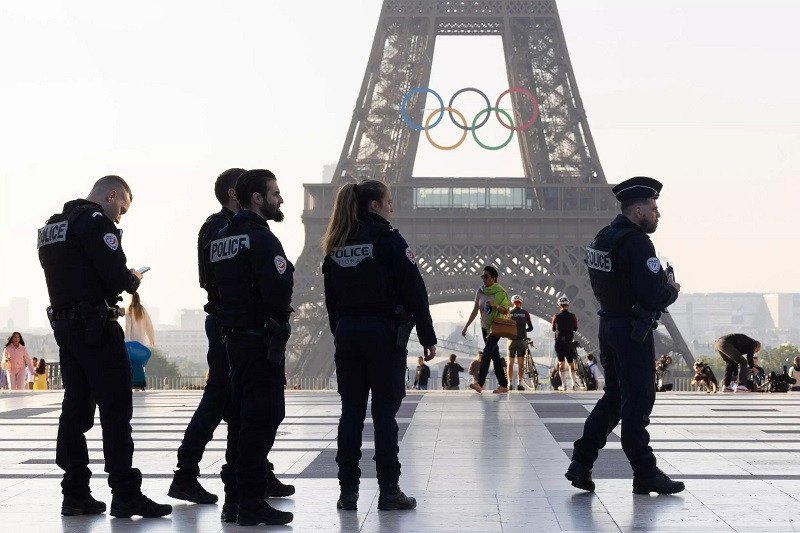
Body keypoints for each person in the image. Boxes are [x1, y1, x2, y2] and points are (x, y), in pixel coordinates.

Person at [37, 175, 171, 517]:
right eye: (121, 208)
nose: (119, 217)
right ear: (111, 195)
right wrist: (132, 278)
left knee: (75, 411)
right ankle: (125, 494)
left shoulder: (52, 227)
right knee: (115, 412)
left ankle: (75, 492)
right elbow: (116, 279)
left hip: (67, 329)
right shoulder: (95, 222)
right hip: (97, 327)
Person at [169, 168, 293, 509]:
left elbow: (206, 278)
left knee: (239, 403)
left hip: (228, 319)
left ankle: (245, 473)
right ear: (238, 193)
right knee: (226, 399)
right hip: (234, 323)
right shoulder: (229, 227)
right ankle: (194, 472)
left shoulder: (216, 228)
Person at [322, 179, 437, 511]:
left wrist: (341, 332)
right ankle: (389, 491)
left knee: (351, 412)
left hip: (348, 333)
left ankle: (348, 492)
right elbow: (415, 291)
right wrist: (427, 337)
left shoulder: (336, 245)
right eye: (388, 201)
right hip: (382, 334)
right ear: (374, 205)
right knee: (384, 413)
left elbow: (331, 302)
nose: (392, 207)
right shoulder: (389, 240)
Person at [565, 176, 684, 496]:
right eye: (654, 209)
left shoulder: (603, 237)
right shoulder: (637, 242)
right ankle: (645, 472)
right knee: (639, 399)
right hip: (633, 331)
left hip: (608, 326)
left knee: (615, 398)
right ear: (638, 210)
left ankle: (581, 462)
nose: (658, 215)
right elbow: (652, 295)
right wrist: (670, 290)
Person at [209, 169, 294, 526]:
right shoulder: (262, 238)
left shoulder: (221, 239)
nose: (280, 199)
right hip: (260, 341)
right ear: (257, 198)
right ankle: (251, 502)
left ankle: (234, 500)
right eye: (274, 193)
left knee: (240, 421)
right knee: (263, 418)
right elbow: (278, 291)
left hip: (231, 339)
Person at [462, 266, 510, 394]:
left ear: (494, 278)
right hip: (485, 327)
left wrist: (495, 305)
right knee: (495, 357)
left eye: (486, 276)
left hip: (495, 327)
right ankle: (503, 385)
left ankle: (480, 383)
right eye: (482, 276)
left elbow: (505, 310)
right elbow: (475, 310)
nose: (484, 279)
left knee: (486, 354)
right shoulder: (480, 291)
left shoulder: (500, 292)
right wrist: (467, 325)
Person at [552, 296, 582, 391]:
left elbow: (553, 328)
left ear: (559, 305)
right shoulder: (572, 316)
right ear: (568, 305)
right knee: (571, 363)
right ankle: (574, 384)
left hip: (559, 342)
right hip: (569, 342)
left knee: (561, 364)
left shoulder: (556, 316)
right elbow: (576, 328)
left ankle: (564, 385)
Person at [507, 295, 533, 391]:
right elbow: (531, 327)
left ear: (512, 303)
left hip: (511, 339)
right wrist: (523, 330)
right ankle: (519, 383)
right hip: (522, 339)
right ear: (521, 303)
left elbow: (505, 325)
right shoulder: (525, 313)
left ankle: (509, 383)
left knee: (510, 362)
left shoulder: (509, 313)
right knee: (521, 363)